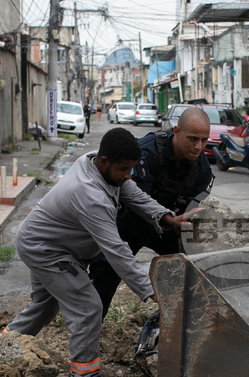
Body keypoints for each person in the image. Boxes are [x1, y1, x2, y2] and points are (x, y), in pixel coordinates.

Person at [3, 128, 195, 377]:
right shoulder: (90, 194)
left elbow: (133, 193)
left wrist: (167, 217)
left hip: (45, 241)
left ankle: (0, 348)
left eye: (131, 168)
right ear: (104, 161)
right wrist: (151, 292)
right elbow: (116, 251)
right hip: (48, 251)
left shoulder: (96, 165)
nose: (128, 175)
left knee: (43, 307)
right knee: (87, 308)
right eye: (123, 169)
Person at [90, 107, 214, 318]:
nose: (198, 147)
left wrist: (184, 225)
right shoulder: (146, 153)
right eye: (193, 139)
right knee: (107, 271)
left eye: (204, 140)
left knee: (192, 270)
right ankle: (89, 333)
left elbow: (197, 206)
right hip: (131, 224)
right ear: (176, 131)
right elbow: (136, 203)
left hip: (168, 227)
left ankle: (175, 326)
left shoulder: (202, 168)